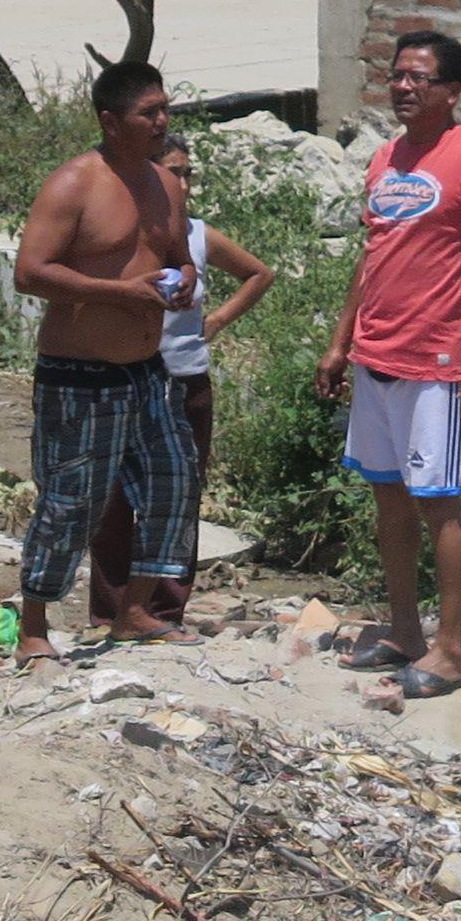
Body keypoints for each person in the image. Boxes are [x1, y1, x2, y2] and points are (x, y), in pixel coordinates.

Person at [315, 27, 461, 700]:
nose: (403, 87)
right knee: (389, 500)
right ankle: (404, 630)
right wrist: (341, 342)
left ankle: (453, 649)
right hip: (377, 358)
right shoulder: (385, 160)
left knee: (439, 505)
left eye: (419, 79)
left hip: (437, 364)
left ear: (452, 91)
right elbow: (372, 256)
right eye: (397, 75)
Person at [11, 60, 196, 657]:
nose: (163, 122)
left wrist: (186, 277)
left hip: (147, 371)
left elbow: (177, 250)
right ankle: (33, 625)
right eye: (150, 113)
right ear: (111, 121)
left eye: (166, 108)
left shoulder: (164, 184)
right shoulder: (74, 183)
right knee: (71, 503)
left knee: (174, 481)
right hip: (79, 375)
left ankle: (134, 609)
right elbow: (30, 272)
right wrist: (119, 293)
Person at [88, 130, 270, 628]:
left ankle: (164, 608)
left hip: (184, 379)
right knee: (113, 500)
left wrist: (216, 321)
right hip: (124, 378)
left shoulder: (197, 235)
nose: (184, 183)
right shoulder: (121, 231)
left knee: (178, 497)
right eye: (174, 172)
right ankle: (111, 610)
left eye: (189, 173)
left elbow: (258, 274)